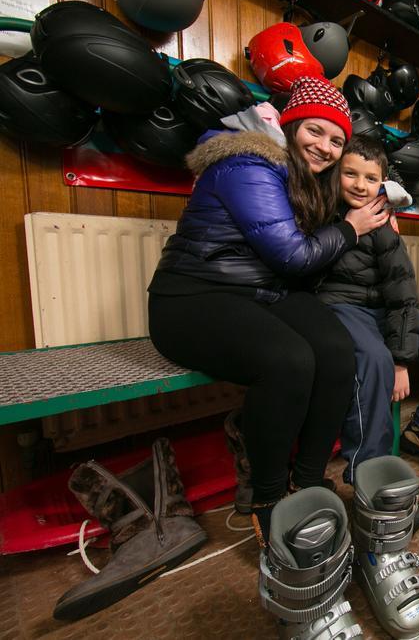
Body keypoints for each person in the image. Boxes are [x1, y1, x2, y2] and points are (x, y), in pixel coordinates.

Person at [147, 76, 390, 537]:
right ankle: (269, 496)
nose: (325, 147)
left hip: (264, 292)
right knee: (288, 361)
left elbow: (298, 266)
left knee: (337, 352)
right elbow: (294, 255)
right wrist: (352, 228)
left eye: (336, 140)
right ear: (290, 123)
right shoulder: (248, 163)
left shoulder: (306, 178)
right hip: (192, 296)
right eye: (315, 131)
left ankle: (310, 480)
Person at [315, 135, 419, 477]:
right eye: (350, 174)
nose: (360, 185)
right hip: (341, 306)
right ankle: (368, 467)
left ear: (382, 182)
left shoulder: (383, 216)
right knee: (374, 359)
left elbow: (400, 288)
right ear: (335, 173)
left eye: (370, 179)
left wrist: (403, 358)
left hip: (382, 309)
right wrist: (394, 361)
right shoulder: (320, 207)